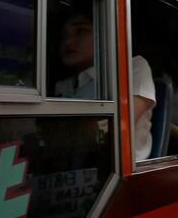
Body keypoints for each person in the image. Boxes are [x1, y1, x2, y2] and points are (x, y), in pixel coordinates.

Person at [55, 10, 156, 161]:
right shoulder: (62, 86)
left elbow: (114, 126)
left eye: (81, 31)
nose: (68, 42)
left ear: (105, 33)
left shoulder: (132, 67)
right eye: (63, 36)